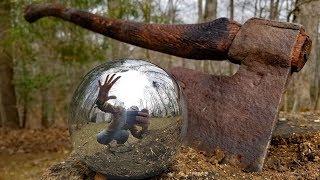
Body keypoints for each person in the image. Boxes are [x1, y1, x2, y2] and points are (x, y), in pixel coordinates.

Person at [95, 74, 150, 145]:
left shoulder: (131, 124)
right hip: (107, 134)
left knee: (125, 134)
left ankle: (117, 146)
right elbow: (108, 107)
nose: (132, 112)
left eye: (135, 111)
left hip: (118, 135)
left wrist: (144, 129)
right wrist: (101, 102)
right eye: (131, 109)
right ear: (128, 109)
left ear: (137, 113)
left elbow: (137, 135)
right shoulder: (121, 110)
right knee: (100, 138)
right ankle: (106, 138)